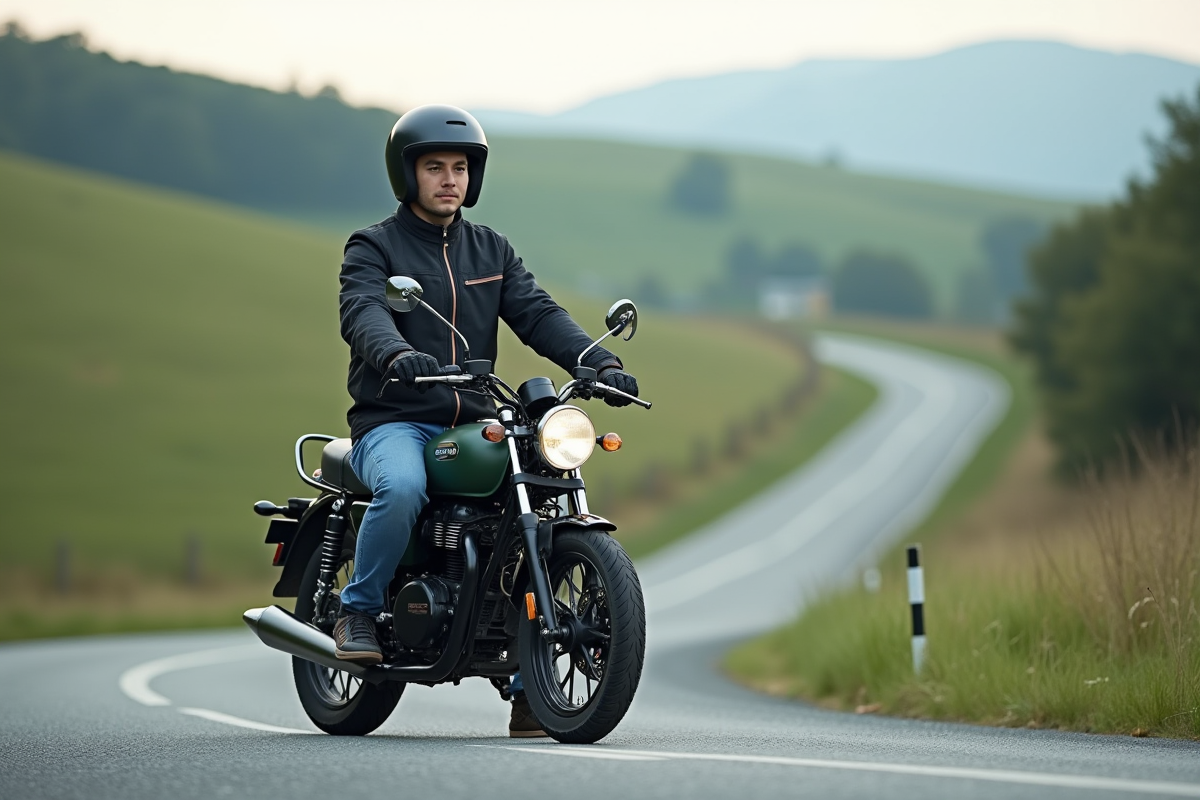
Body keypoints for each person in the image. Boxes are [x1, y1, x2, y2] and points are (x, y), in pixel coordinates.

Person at [334, 104, 639, 737]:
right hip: (396, 420)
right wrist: (395, 354)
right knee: (404, 486)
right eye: (435, 167)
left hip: (474, 422)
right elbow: (363, 311)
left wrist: (599, 362)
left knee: (539, 493)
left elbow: (537, 313)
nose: (450, 179)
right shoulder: (375, 246)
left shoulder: (489, 248)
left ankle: (532, 690)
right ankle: (358, 612)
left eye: (461, 168)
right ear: (407, 173)